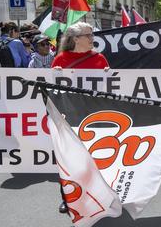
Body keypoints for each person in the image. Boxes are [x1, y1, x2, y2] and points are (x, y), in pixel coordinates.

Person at [52, 22, 109, 214]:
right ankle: (67, 198)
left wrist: (110, 76)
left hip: (94, 116)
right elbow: (52, 89)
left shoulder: (100, 59)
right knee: (68, 159)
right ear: (76, 39)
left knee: (93, 159)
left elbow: (108, 88)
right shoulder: (61, 59)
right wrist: (56, 76)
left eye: (92, 35)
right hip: (68, 116)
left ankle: (96, 196)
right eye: (88, 35)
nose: (92, 38)